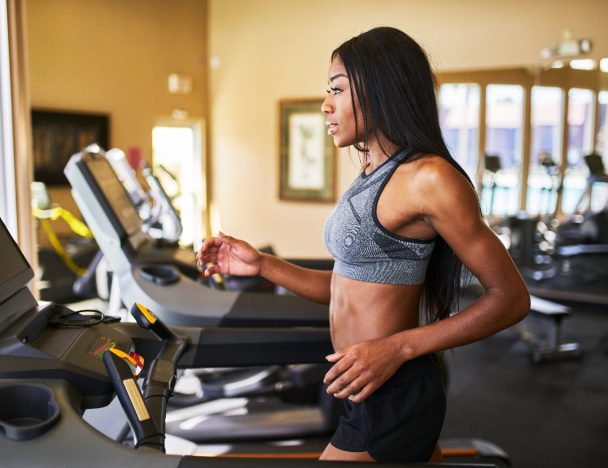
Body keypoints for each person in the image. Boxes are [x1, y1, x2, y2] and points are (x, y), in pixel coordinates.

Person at [198, 26, 530, 463]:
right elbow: (345, 288)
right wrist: (262, 264)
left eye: (336, 89)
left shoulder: (429, 179)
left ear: (379, 90)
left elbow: (511, 298)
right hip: (364, 387)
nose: (325, 104)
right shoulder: (373, 173)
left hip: (394, 387)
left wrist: (398, 347)